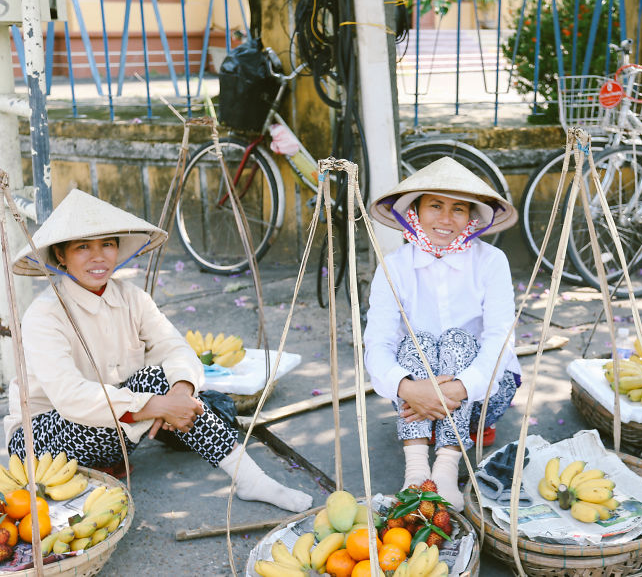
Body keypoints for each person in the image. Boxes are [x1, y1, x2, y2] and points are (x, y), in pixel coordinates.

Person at [5, 189, 312, 513]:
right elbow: (71, 397)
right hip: (43, 441)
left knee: (167, 379)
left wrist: (179, 394)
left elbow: (176, 348)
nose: (98, 257)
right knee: (154, 385)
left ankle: (251, 480)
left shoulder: (132, 298)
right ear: (60, 255)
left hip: (113, 430)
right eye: (83, 247)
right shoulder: (44, 314)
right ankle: (249, 477)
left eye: (107, 244)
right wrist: (157, 405)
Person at [364, 157, 521, 510]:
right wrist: (409, 389)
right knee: (415, 342)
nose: (446, 219)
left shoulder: (492, 261)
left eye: (458, 209)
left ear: (471, 217)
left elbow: (500, 338)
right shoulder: (394, 266)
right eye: (435, 206)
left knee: (455, 339)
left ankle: (447, 466)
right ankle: (417, 469)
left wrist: (459, 388)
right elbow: (377, 342)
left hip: (478, 397)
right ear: (416, 211)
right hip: (415, 398)